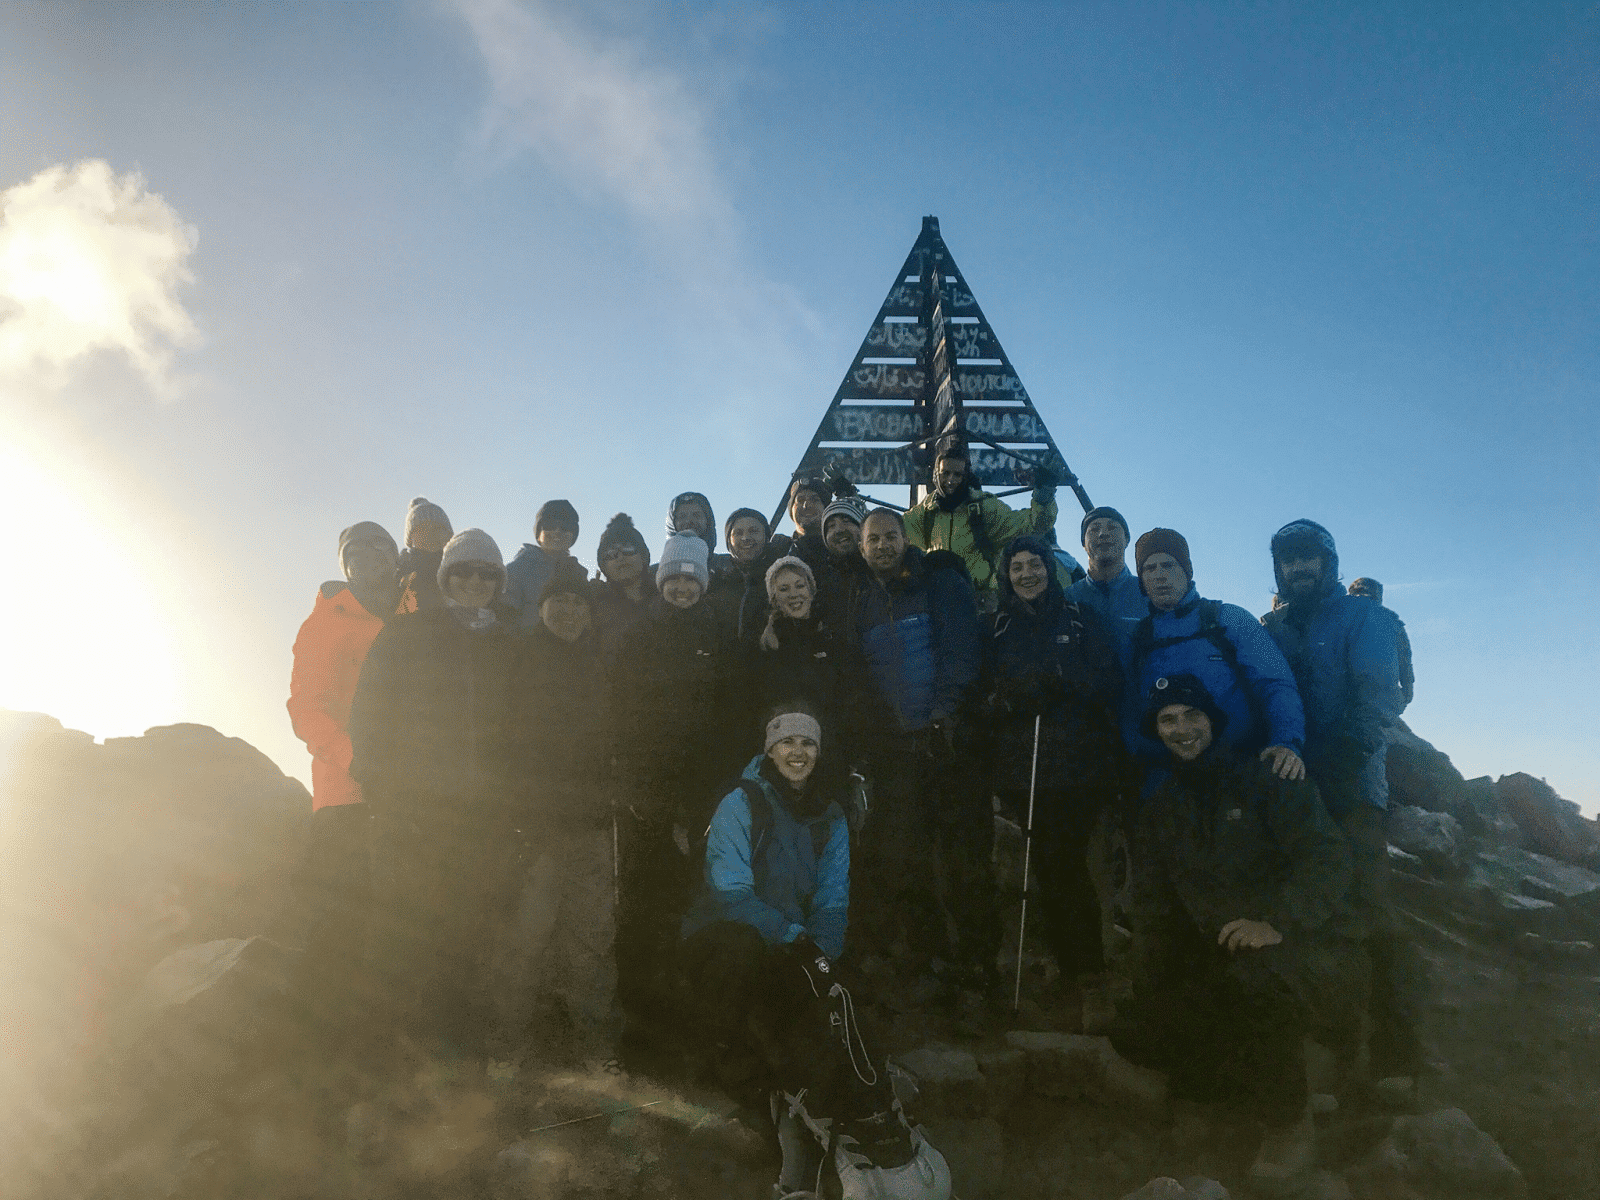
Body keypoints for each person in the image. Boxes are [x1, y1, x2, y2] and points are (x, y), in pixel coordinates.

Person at [1109, 674, 1364, 1187]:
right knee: (1140, 1022)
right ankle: (1210, 1096)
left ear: (1213, 722)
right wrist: (1150, 982)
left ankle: (1290, 1120)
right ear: (1156, 731)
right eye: (1167, 719)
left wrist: (1277, 922)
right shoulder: (1161, 809)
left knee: (1255, 991)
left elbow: (1328, 858)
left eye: (1192, 716)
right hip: (1220, 951)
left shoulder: (1268, 780)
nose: (1182, 730)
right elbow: (1155, 909)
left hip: (1301, 947)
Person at [348, 528, 521, 1055]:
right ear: (445, 577)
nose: (474, 582)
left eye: (485, 573)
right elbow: (367, 716)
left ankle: (460, 1061)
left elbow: (523, 730)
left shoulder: (509, 644)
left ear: (498, 581)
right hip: (413, 815)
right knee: (408, 934)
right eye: (462, 572)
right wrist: (384, 792)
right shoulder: (408, 633)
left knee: (474, 935)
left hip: (483, 818)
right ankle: (398, 1060)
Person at [1263, 522, 1419, 1085]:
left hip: (1351, 787)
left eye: (1308, 557)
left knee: (1366, 907)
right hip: (1292, 786)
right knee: (1304, 908)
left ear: (1327, 562)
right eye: (1289, 559)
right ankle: (1325, 1037)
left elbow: (1381, 699)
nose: (1298, 567)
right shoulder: (1271, 625)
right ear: (1277, 566)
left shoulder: (1369, 618)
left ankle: (1396, 1050)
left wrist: (1323, 753)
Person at [608, 531, 745, 1058]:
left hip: (705, 792)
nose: (683, 586)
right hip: (648, 794)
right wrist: (636, 783)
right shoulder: (640, 633)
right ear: (662, 580)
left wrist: (722, 789)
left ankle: (702, 1021)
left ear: (703, 582)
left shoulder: (718, 631)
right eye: (675, 578)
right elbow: (620, 713)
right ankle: (645, 1025)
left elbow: (730, 713)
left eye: (692, 578)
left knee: (701, 900)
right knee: (647, 906)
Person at [975, 535, 1126, 1003]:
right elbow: (980, 692)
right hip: (1025, 765)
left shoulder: (1081, 619)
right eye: (1016, 567)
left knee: (1068, 865)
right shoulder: (996, 625)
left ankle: (1086, 968)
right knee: (1049, 865)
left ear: (1049, 568)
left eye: (1034, 564)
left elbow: (1109, 680)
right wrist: (1007, 699)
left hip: (1078, 765)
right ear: (1007, 575)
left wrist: (1061, 683)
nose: (1026, 574)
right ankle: (1072, 965)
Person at [678, 705, 850, 1091]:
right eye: (786, 742)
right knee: (741, 950)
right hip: (724, 935)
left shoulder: (831, 815)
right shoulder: (741, 804)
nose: (798, 752)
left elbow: (833, 898)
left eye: (808, 743)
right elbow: (730, 894)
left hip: (792, 938)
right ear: (770, 750)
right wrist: (794, 938)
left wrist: (822, 952)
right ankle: (720, 1062)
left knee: (824, 985)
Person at [853, 507, 989, 988]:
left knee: (965, 858)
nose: (883, 546)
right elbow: (865, 677)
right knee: (908, 856)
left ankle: (977, 967)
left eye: (891, 536)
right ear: (862, 548)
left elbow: (960, 651)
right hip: (897, 749)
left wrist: (944, 713)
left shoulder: (938, 584)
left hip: (949, 741)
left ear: (906, 539)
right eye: (874, 540)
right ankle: (927, 959)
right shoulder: (862, 601)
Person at [495, 563, 617, 1070]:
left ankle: (596, 1049)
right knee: (526, 942)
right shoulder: (517, 660)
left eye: (578, 603)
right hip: (533, 827)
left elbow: (618, 737)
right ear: (541, 607)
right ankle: (511, 1051)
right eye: (558, 601)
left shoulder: (600, 663)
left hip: (590, 824)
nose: (568, 610)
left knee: (591, 945)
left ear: (589, 612)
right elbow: (498, 741)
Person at [285, 521, 402, 1028]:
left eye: (379, 546)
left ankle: (384, 1038)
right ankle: (321, 1042)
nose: (368, 556)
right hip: (343, 796)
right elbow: (306, 707)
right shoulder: (325, 621)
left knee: (401, 924)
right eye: (355, 550)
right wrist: (354, 757)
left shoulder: (411, 611)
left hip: (407, 793)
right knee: (337, 925)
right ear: (344, 563)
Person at [1124, 528, 1305, 786]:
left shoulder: (1228, 619)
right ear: (1141, 580)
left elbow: (1275, 683)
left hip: (1240, 771)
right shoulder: (1139, 638)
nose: (1160, 575)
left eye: (1168, 565)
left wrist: (1286, 741)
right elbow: (1130, 707)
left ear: (1187, 571)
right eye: (1149, 569)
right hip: (1169, 782)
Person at [903, 433, 1058, 611]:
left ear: (966, 476)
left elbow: (1032, 525)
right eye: (945, 473)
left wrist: (1044, 495)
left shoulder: (984, 508)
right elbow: (894, 535)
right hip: (937, 603)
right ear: (936, 475)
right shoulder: (924, 514)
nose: (950, 480)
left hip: (981, 604)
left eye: (957, 474)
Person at [750, 555, 871, 771]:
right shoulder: (765, 649)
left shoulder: (833, 642)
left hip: (832, 756)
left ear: (811, 591)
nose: (794, 594)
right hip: (784, 761)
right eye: (784, 589)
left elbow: (853, 701)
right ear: (774, 598)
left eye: (800, 585)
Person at [1065, 506, 1147, 660]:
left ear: (1127, 540)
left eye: (1112, 528)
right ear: (1084, 543)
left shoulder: (1149, 594)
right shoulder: (1066, 599)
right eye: (1094, 530)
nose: (1103, 534)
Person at [708, 506, 784, 643]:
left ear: (766, 536)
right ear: (728, 540)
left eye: (754, 531)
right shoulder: (716, 578)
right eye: (738, 533)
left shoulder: (782, 574)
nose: (746, 538)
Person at [589, 513, 655, 662]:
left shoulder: (666, 598)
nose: (620, 557)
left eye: (628, 549)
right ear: (603, 565)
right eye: (611, 553)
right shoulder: (593, 606)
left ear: (643, 556)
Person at [505, 500, 582, 626]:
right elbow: (505, 617)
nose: (557, 531)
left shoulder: (579, 573)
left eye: (565, 527)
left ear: (573, 535)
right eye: (550, 526)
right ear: (538, 532)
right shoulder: (516, 571)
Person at [1348, 577, 1414, 710]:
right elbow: (1405, 663)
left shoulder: (1339, 615)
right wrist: (1406, 694)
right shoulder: (1394, 623)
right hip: (1385, 700)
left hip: (1344, 696)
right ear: (1378, 595)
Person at [397, 497, 452, 612]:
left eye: (438, 528)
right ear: (410, 538)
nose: (430, 534)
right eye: (422, 529)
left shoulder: (460, 568)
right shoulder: (401, 571)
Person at [665, 490, 732, 578]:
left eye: (696, 515)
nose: (689, 521)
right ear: (672, 523)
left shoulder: (729, 567)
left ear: (707, 521)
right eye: (682, 516)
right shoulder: (659, 573)